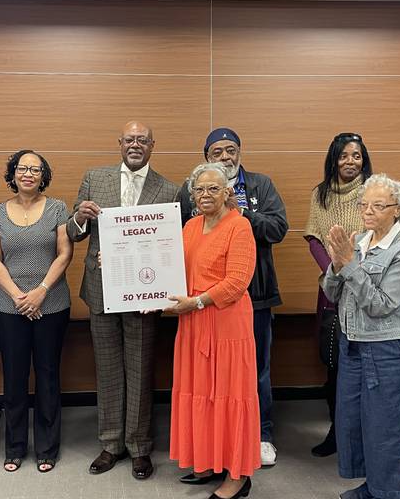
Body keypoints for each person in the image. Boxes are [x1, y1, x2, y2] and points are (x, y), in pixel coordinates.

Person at [67, 120, 178, 480]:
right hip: (101, 290)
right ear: (119, 143)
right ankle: (111, 443)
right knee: (109, 369)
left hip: (144, 293)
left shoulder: (170, 190)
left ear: (152, 145)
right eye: (129, 139)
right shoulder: (93, 179)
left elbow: (173, 245)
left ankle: (140, 446)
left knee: (141, 369)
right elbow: (72, 232)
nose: (135, 144)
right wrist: (80, 219)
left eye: (142, 140)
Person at [176, 127, 287, 467]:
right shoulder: (191, 202)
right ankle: (211, 448)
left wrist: (239, 211)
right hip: (200, 308)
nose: (225, 156)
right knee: (208, 381)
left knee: (254, 374)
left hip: (251, 298)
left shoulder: (259, 186)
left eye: (231, 150)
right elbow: (172, 247)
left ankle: (260, 436)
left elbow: (278, 229)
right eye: (217, 152)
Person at [323, 173, 400, 499]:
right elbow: (330, 291)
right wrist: (338, 263)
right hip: (353, 343)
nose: (367, 211)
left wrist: (349, 264)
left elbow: (379, 305)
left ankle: (388, 493)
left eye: (378, 205)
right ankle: (374, 486)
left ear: (397, 209)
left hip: (392, 348)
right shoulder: (357, 242)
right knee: (355, 423)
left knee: (385, 427)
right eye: (364, 204)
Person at [168, 162, 259, 499]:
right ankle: (207, 462)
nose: (205, 195)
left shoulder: (240, 227)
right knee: (201, 395)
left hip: (226, 325)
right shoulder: (190, 225)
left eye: (212, 189)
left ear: (227, 192)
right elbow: (166, 264)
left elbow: (236, 283)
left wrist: (197, 302)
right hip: (192, 325)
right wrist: (123, 261)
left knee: (231, 397)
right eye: (199, 189)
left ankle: (238, 476)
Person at [0, 149, 73, 473]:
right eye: (23, 168)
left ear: (43, 175)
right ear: (13, 173)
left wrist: (40, 292)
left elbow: (64, 254)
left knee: (48, 375)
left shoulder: (57, 208)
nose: (28, 174)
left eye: (35, 169)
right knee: (14, 377)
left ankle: (47, 448)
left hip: (52, 304)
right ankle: (15, 447)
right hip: (10, 307)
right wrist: (19, 296)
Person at [303, 132, 372, 457]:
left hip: (369, 288)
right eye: (344, 155)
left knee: (366, 365)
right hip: (332, 292)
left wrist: (353, 269)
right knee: (335, 366)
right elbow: (314, 239)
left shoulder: (375, 191)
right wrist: (337, 270)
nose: (350, 161)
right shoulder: (321, 194)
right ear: (334, 158)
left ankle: (363, 436)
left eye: (356, 156)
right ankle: (337, 432)